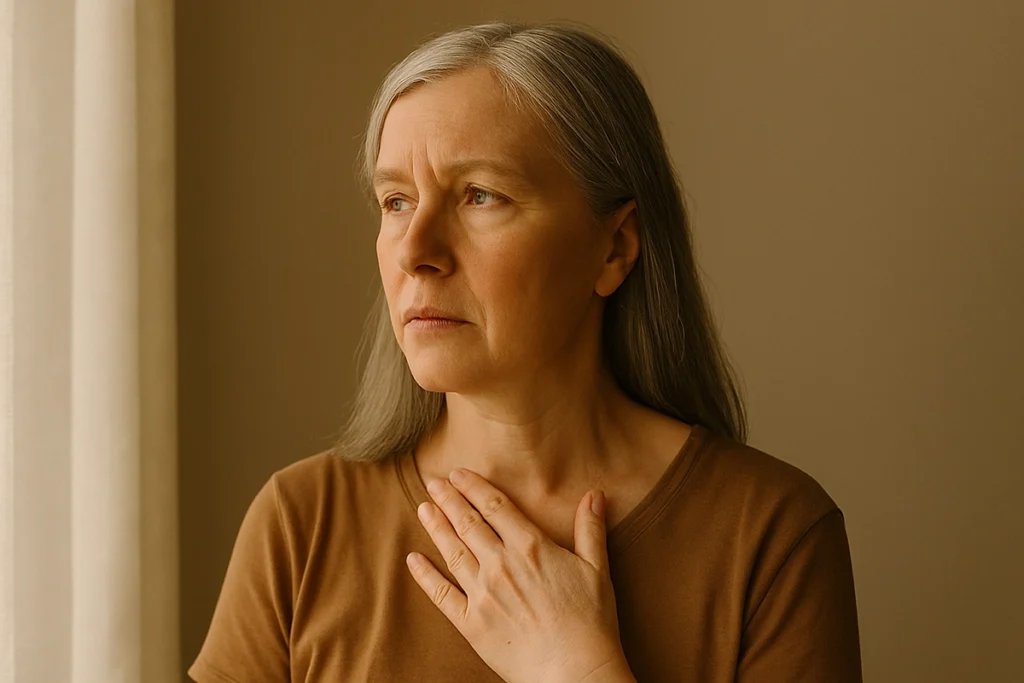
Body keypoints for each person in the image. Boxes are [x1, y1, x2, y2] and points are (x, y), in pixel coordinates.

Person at [189, 21, 862, 683]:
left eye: (481, 195)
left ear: (615, 247)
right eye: (395, 201)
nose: (415, 251)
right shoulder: (300, 524)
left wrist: (578, 668)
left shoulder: (772, 534)